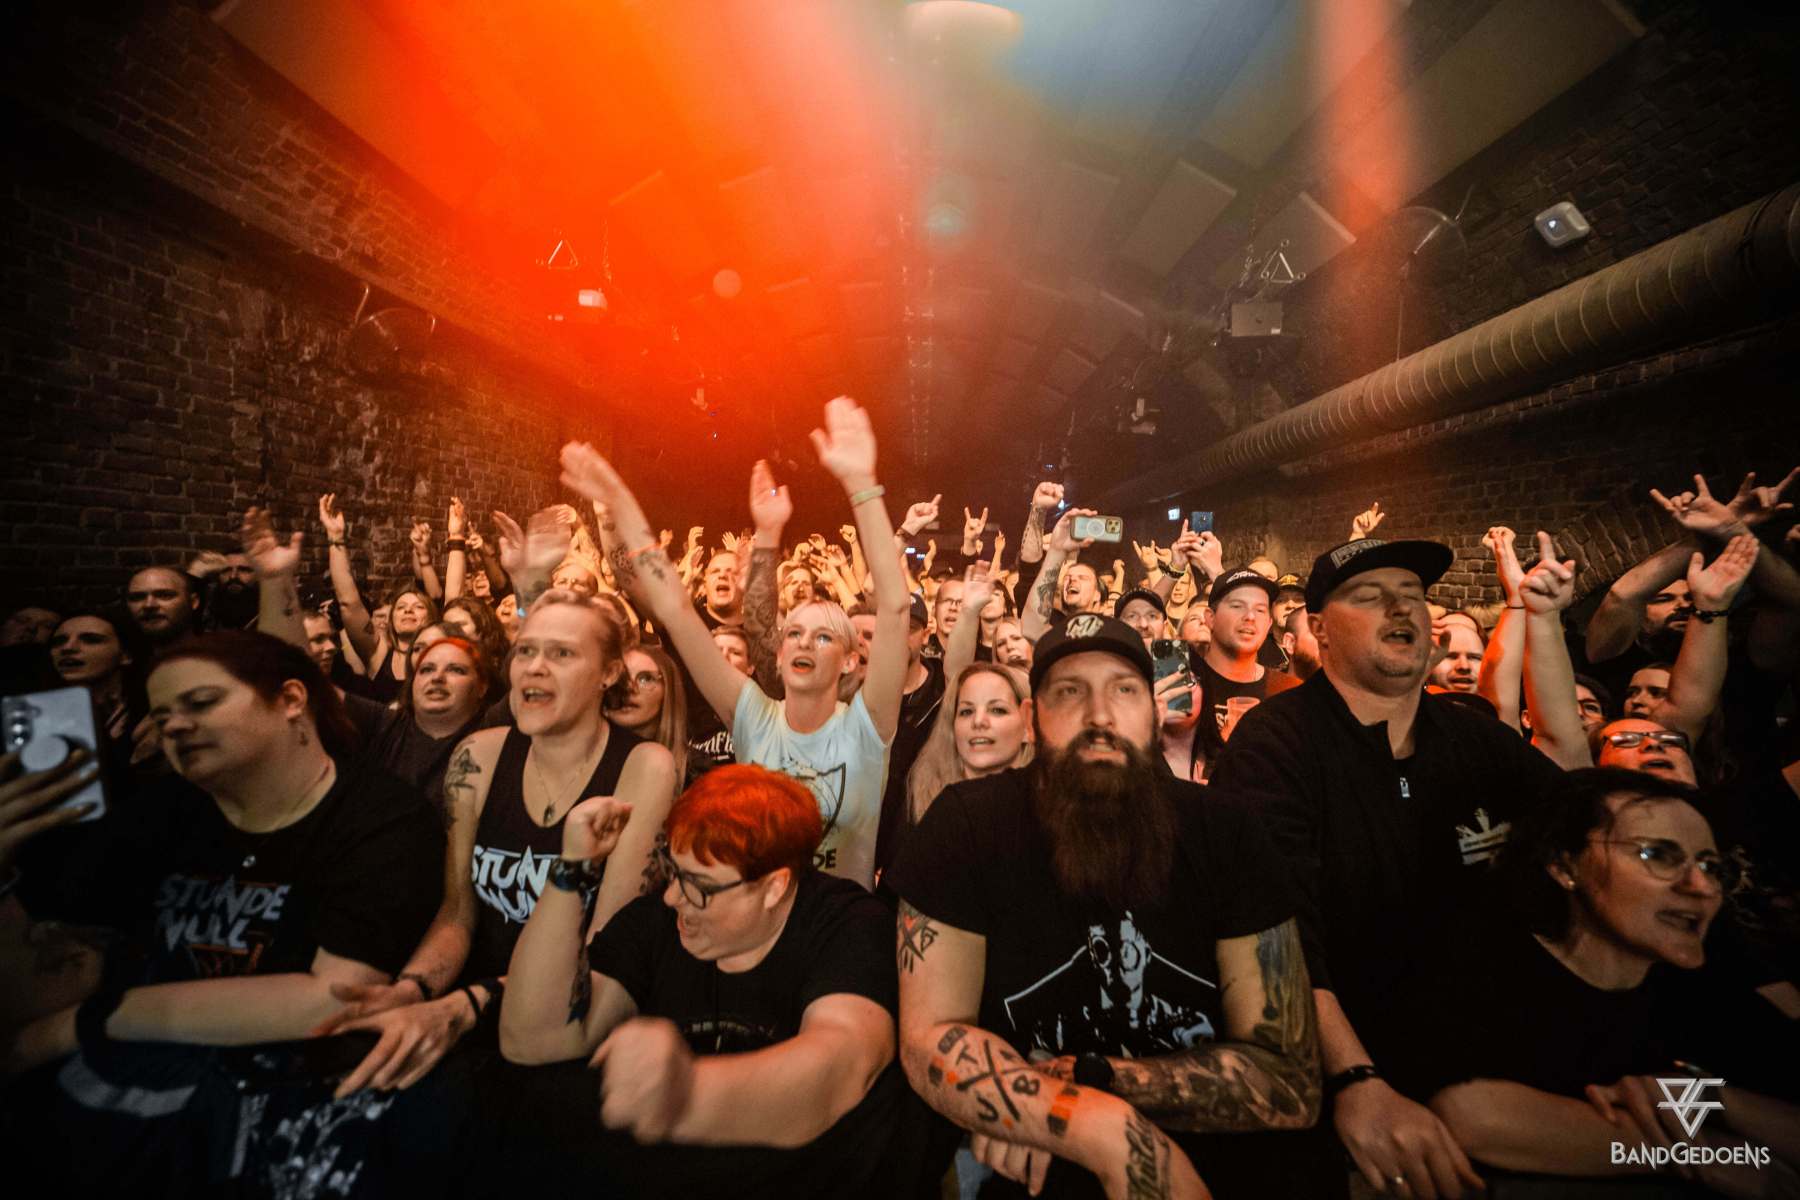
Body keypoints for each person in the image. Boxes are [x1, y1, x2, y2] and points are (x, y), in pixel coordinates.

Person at [889, 614, 1322, 1200]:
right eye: (1070, 692)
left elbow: (1289, 1078)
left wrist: (1091, 1083)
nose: (1100, 716)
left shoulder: (1226, 831)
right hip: (1026, 1173)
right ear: (1031, 719)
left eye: (1124, 690)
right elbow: (930, 1039)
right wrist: (1102, 1129)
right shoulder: (967, 824)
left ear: (1154, 712)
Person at [1, 631, 445, 1195]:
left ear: (291, 700)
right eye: (161, 717)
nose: (175, 727)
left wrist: (92, 1020)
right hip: (125, 1104)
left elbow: (331, 1000)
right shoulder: (162, 811)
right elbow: (39, 991)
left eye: (201, 702)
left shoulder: (382, 818)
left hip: (283, 1108)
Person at [1208, 536, 1580, 1199]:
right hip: (1351, 1089)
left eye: (1412, 595)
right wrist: (1355, 1081)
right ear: (1319, 628)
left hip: (1500, 1074)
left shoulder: (1473, 738)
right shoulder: (1275, 743)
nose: (1402, 608)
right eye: (1370, 596)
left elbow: (1581, 817)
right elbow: (1279, 934)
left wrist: (1544, 623)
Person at [310, 590, 675, 1105]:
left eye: (562, 653)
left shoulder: (644, 766)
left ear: (609, 672)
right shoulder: (477, 756)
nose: (535, 667)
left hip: (567, 1018)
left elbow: (603, 942)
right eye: (526, 650)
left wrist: (464, 1006)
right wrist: (413, 989)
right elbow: (458, 912)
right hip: (466, 1007)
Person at [495, 764, 917, 1197]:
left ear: (774, 887)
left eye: (699, 886)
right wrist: (572, 868)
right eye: (673, 871)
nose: (672, 897)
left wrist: (687, 1093)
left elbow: (841, 1068)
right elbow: (532, 1039)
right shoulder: (655, 922)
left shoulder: (846, 923)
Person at [1385, 768, 1800, 1192]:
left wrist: (1706, 1099)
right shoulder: (1481, 959)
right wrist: (1701, 1153)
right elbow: (1473, 1117)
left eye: (1711, 867)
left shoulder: (1699, 990)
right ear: (1565, 865)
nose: (1701, 886)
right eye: (1658, 855)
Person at [563, 398, 910, 891]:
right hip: (752, 916)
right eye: (794, 633)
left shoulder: (866, 727)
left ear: (851, 660)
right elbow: (677, 611)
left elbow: (894, 607)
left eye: (824, 636)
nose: (804, 643)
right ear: (779, 653)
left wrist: (860, 483)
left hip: (839, 923)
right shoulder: (754, 717)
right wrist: (622, 503)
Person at [1187, 568, 1301, 782]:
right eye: (1237, 606)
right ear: (1210, 618)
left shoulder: (1288, 690)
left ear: (1269, 624)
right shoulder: (1182, 676)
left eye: (1260, 610)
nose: (1250, 617)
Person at [362, 636, 493, 803]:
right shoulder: (385, 724)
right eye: (426, 670)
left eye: (456, 670)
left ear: (482, 687)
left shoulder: (494, 731)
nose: (437, 677)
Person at [905, 662, 1034, 827]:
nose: (978, 721)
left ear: (1027, 726)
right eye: (966, 712)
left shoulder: (1047, 813)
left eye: (997, 710)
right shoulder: (924, 803)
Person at [605, 643, 691, 786]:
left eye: (645, 679)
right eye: (620, 678)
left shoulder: (693, 770)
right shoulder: (580, 762)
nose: (628, 688)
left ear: (667, 691)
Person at [123, 566, 198, 650]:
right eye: (137, 597)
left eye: (165, 595)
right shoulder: (118, 652)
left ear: (193, 602)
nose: (149, 605)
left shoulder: (207, 654)